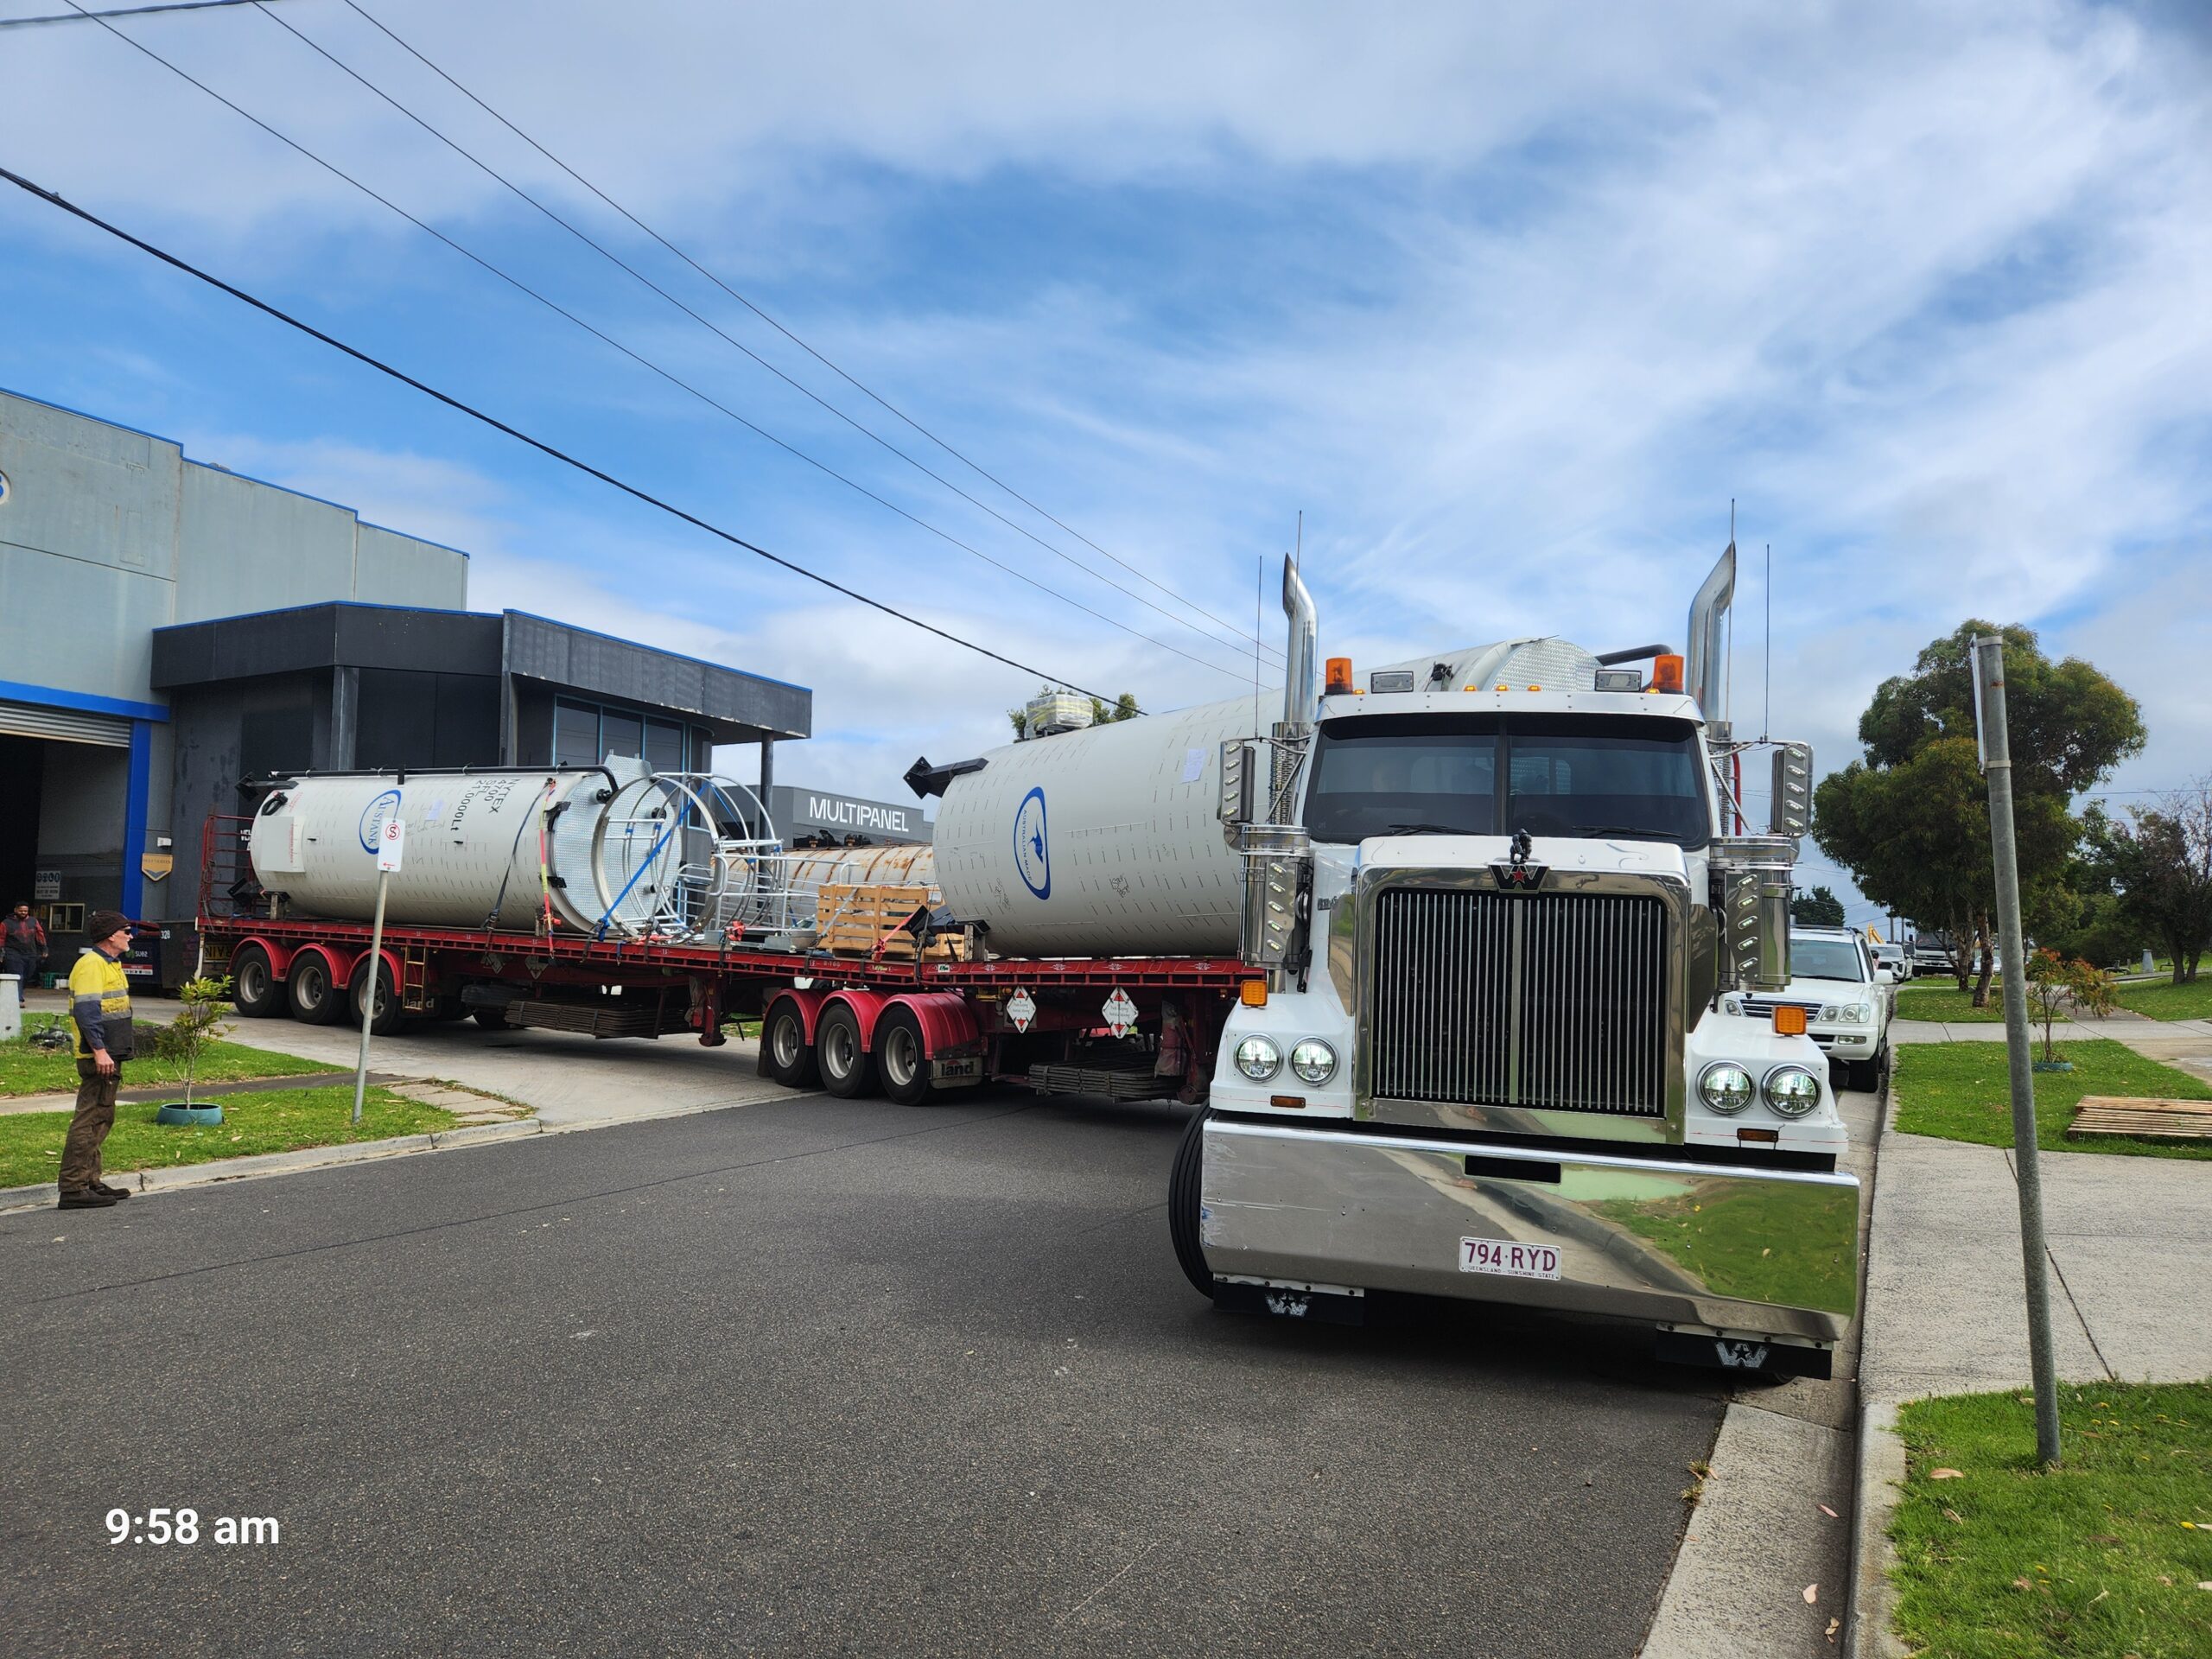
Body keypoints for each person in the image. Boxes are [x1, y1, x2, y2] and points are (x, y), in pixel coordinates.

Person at [60, 911, 137, 1211]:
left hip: (110, 1053)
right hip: (99, 1055)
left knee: (101, 1118)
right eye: (126, 931)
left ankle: (90, 1181)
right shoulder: (91, 965)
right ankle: (73, 1188)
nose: (131, 936)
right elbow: (87, 1012)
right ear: (110, 936)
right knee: (89, 1119)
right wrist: (99, 1051)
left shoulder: (111, 964)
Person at [3, 901, 46, 985]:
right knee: (17, 974)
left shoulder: (33, 921)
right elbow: (1, 938)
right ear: (15, 910)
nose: (23, 913)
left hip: (30, 953)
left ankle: (19, 992)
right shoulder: (6, 923)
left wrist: (44, 948)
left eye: (25, 911)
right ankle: (18, 996)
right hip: (13, 953)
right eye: (21, 911)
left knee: (28, 975)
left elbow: (40, 935)